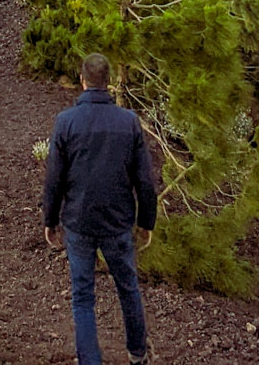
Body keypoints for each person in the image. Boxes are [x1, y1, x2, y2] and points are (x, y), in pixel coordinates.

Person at [42, 52, 158, 365]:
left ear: (82, 81)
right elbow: (145, 180)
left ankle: (90, 361)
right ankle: (137, 355)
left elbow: (54, 177)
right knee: (128, 288)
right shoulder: (129, 122)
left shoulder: (65, 122)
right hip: (118, 222)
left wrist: (50, 220)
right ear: (107, 83)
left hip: (78, 221)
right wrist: (146, 221)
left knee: (82, 296)